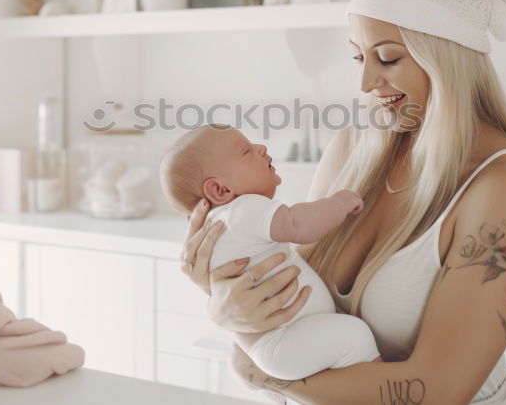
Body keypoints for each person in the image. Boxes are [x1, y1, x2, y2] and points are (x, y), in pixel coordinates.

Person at [179, 0, 506, 404]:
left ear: (447, 55)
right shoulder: (352, 149)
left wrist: (262, 372)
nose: (366, 81)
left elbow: (436, 393)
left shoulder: (505, 189)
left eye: (388, 57)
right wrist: (222, 303)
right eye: (358, 56)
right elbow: (288, 299)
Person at [159, 124, 383, 381]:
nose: (261, 148)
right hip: (282, 341)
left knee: (346, 338)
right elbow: (298, 225)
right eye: (246, 151)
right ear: (220, 190)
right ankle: (376, 380)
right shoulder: (242, 209)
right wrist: (340, 202)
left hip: (276, 344)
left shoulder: (222, 222)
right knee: (354, 335)